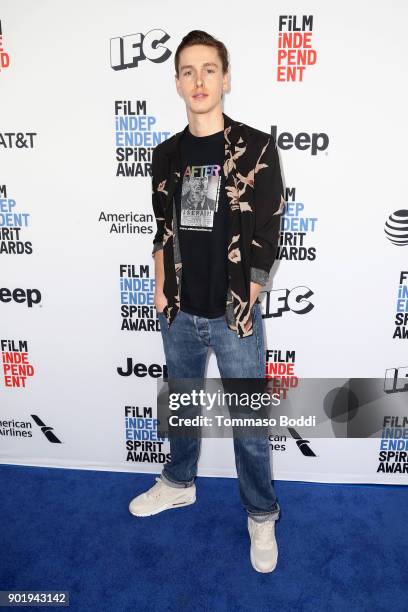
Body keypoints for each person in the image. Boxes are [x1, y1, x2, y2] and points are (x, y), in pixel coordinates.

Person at [129, 30, 286, 574]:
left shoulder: (255, 148)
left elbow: (269, 228)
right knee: (181, 406)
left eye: (209, 69)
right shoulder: (164, 155)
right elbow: (161, 229)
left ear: (226, 78)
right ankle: (178, 482)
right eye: (188, 71)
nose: (199, 81)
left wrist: (253, 291)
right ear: (176, 82)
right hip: (179, 312)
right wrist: (158, 284)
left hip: (233, 315)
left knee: (249, 424)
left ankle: (261, 515)